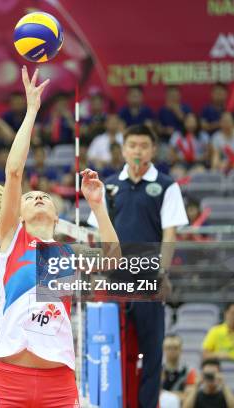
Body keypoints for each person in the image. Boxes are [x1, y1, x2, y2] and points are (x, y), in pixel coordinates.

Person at [0, 66, 119, 408]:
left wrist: (98, 205)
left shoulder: (66, 254)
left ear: (58, 215)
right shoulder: (10, 241)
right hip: (9, 378)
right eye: (30, 198)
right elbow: (14, 172)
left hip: (58, 384)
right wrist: (32, 111)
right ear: (19, 212)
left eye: (44, 196)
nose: (38, 197)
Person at [87, 124, 189, 408]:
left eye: (144, 146)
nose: (137, 150)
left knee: (151, 354)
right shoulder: (108, 187)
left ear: (153, 150)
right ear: (123, 149)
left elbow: (170, 234)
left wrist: (162, 273)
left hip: (147, 281)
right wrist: (99, 274)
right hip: (115, 282)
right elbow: (98, 236)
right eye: (132, 145)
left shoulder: (167, 186)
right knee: (113, 351)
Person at [162, 334, 197, 402]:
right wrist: (179, 395)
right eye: (169, 348)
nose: (172, 351)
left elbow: (189, 397)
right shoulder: (158, 371)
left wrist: (165, 394)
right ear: (164, 349)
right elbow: (156, 395)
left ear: (181, 349)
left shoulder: (189, 372)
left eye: (175, 348)